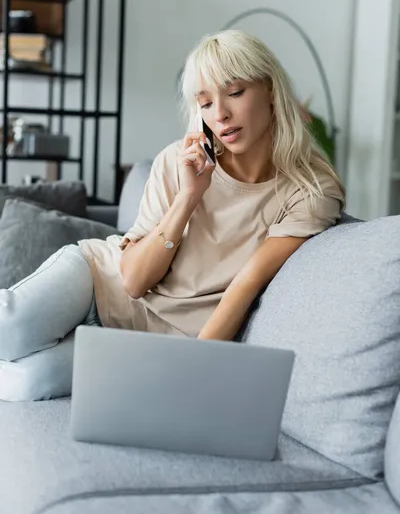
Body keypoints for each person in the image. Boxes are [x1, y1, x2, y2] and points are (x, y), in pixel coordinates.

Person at [0, 29, 345, 401]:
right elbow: (132, 282)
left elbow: (246, 285)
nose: (221, 114)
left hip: (146, 343)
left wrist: (188, 374)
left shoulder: (311, 188)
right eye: (206, 102)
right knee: (9, 329)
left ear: (272, 92)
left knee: (29, 384)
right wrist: (188, 197)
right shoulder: (177, 163)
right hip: (99, 281)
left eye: (235, 92)